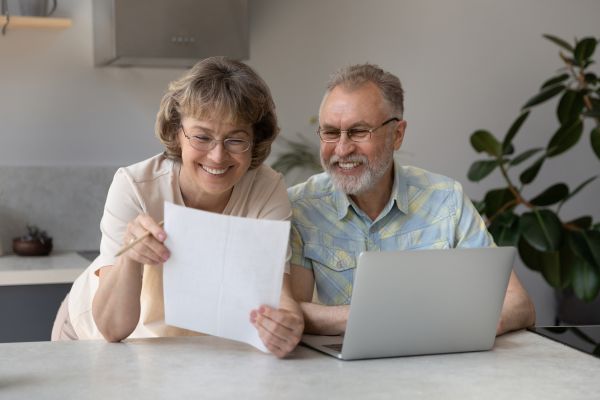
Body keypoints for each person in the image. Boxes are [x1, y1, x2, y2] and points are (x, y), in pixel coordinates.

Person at [52, 56, 303, 358]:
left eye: (236, 140)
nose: (217, 156)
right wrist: (131, 258)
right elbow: (112, 329)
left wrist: (287, 325)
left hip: (186, 350)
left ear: (255, 140)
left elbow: (279, 293)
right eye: (202, 137)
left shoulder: (267, 189)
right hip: (92, 337)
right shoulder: (135, 187)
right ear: (176, 133)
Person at [288, 63, 536, 336]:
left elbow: (519, 304)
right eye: (331, 133)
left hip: (437, 363)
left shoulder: (446, 200)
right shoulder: (301, 207)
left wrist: (453, 327)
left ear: (397, 135)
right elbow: (292, 310)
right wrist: (379, 318)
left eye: (359, 132)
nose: (343, 149)